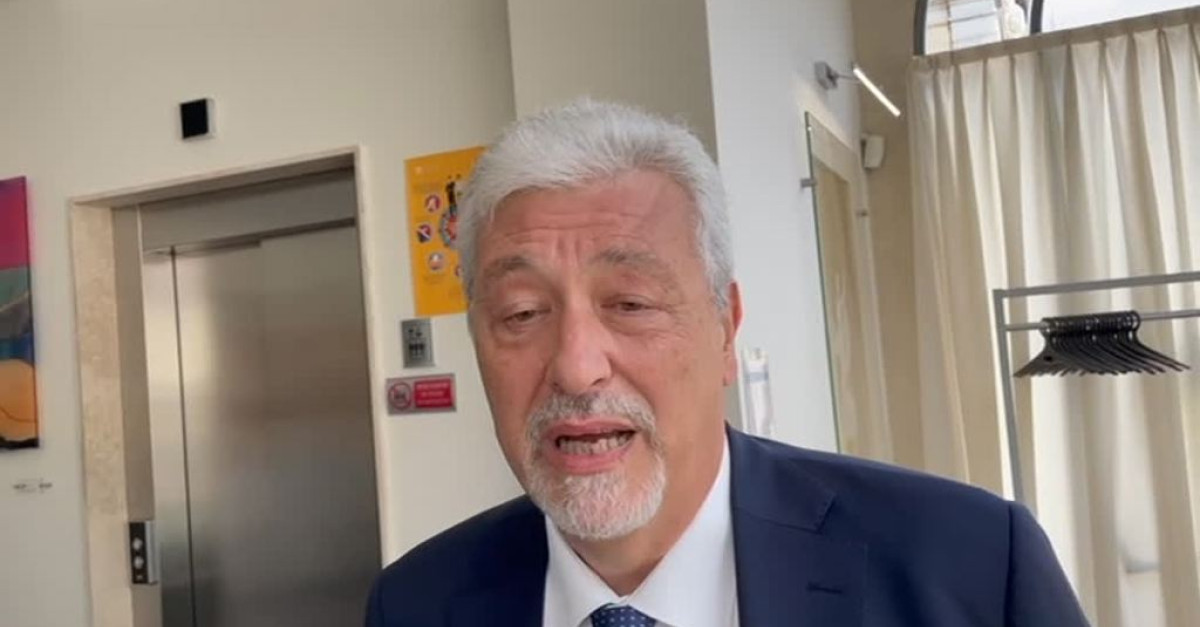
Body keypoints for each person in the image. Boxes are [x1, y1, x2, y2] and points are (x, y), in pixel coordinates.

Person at [365, 100, 1089, 626]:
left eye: (630, 303)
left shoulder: (970, 568)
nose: (577, 368)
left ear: (725, 328)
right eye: (522, 313)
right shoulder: (416, 603)